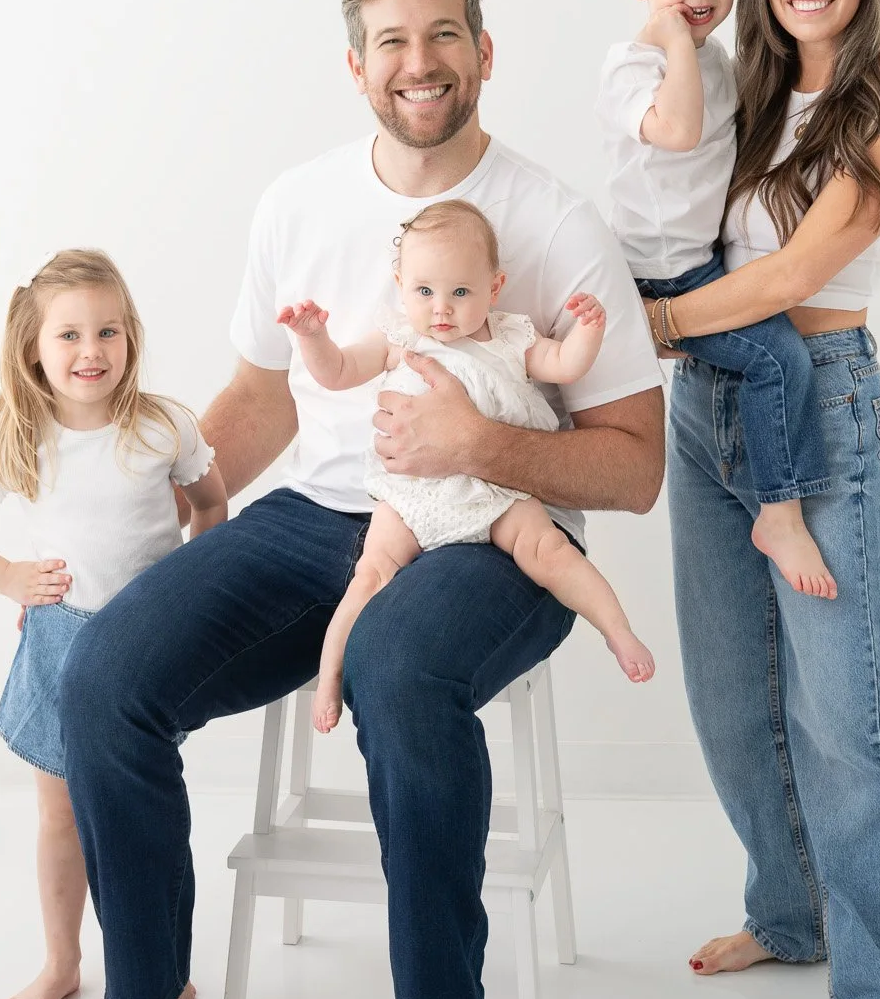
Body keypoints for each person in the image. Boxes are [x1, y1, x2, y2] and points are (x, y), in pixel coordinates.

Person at [18, 0, 664, 999]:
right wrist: (185, 479)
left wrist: (479, 438)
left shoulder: (554, 222)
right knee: (108, 675)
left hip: (491, 523)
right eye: (390, 42)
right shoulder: (297, 203)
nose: (416, 63)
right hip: (323, 512)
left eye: (440, 36)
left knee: (397, 673)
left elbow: (632, 467)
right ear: (356, 65)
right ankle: (150, 995)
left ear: (484, 51)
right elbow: (261, 399)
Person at [653, 0, 880, 999]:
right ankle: (788, 909)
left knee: (841, 715)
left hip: (818, 398)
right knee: (730, 696)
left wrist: (648, 320)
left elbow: (794, 272)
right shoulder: (740, 100)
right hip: (704, 407)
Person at [0, 249, 227, 999]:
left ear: (130, 338)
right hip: (61, 642)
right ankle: (62, 960)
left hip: (145, 647)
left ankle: (151, 977)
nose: (91, 352)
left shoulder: (163, 426)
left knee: (131, 807)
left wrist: (182, 587)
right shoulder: (19, 436)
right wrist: (6, 578)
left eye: (108, 332)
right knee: (59, 817)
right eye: (69, 336)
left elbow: (211, 506)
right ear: (34, 348)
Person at [281, 196, 655, 731]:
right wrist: (313, 337)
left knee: (547, 549)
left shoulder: (511, 337)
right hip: (411, 496)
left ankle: (617, 632)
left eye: (461, 292)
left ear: (494, 288)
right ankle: (332, 674)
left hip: (496, 486)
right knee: (370, 574)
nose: (442, 309)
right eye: (425, 291)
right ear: (400, 284)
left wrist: (589, 331)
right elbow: (337, 372)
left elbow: (565, 364)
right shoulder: (398, 339)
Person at [598, 0, 835, 598]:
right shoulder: (630, 66)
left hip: (698, 266)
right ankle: (781, 510)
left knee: (768, 361)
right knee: (776, 361)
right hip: (651, 276)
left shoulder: (716, 64)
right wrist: (670, 37)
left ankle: (775, 502)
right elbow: (678, 131)